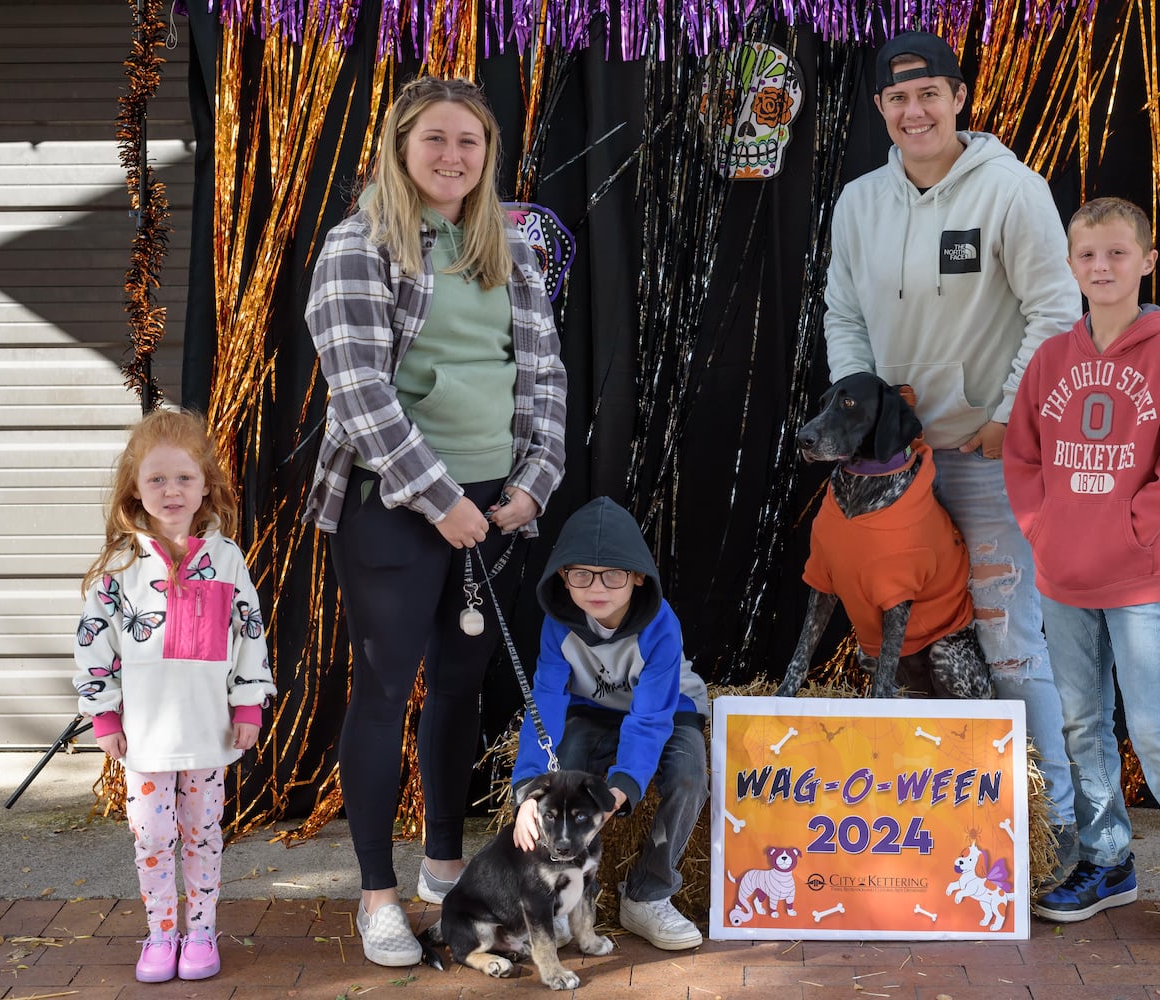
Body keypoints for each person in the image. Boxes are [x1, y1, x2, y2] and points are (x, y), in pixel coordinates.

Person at [303, 75, 568, 967]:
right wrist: (440, 498)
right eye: (436, 141)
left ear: (488, 155)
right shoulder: (359, 246)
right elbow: (361, 393)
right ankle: (379, 899)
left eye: (470, 143)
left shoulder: (511, 252)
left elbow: (545, 380)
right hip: (395, 503)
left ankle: (444, 868)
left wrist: (533, 483)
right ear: (399, 147)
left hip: (493, 505)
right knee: (383, 696)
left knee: (461, 688)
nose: (453, 157)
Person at [820, 29, 1081, 879]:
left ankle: (1057, 836)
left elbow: (1054, 311)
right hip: (886, 470)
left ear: (959, 97)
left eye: (928, 92)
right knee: (903, 636)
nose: (914, 110)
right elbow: (843, 317)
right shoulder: (859, 201)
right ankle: (944, 833)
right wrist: (861, 419)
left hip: (979, 456)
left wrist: (1008, 418)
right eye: (897, 99)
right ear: (880, 110)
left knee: (1008, 641)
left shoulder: (1013, 190)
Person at [1003, 196, 1160, 954]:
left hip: (1136, 581)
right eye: (1086, 256)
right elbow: (1024, 455)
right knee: (1080, 725)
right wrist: (1045, 529)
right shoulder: (1051, 359)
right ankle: (1107, 862)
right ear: (1071, 265)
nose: (1100, 267)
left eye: (1115, 254)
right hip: (1061, 577)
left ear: (1146, 262)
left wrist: (1135, 530)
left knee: (1156, 729)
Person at [73, 408, 276, 984]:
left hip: (208, 735)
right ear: (135, 488)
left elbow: (249, 636)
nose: (171, 490)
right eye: (157, 479)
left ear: (205, 483)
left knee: (203, 832)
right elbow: (94, 645)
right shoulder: (120, 566)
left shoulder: (227, 560)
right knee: (153, 836)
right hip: (145, 739)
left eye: (184, 478)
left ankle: (202, 931)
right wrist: (103, 715)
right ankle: (162, 932)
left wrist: (248, 704)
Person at [509, 497, 710, 950]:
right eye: (580, 574)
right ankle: (567, 897)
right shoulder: (558, 623)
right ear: (563, 576)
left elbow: (651, 717)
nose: (596, 588)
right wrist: (527, 789)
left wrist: (623, 783)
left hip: (668, 707)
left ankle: (648, 894)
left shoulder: (661, 625)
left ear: (639, 577)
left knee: (688, 775)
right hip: (593, 708)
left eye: (614, 575)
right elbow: (545, 703)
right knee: (567, 766)